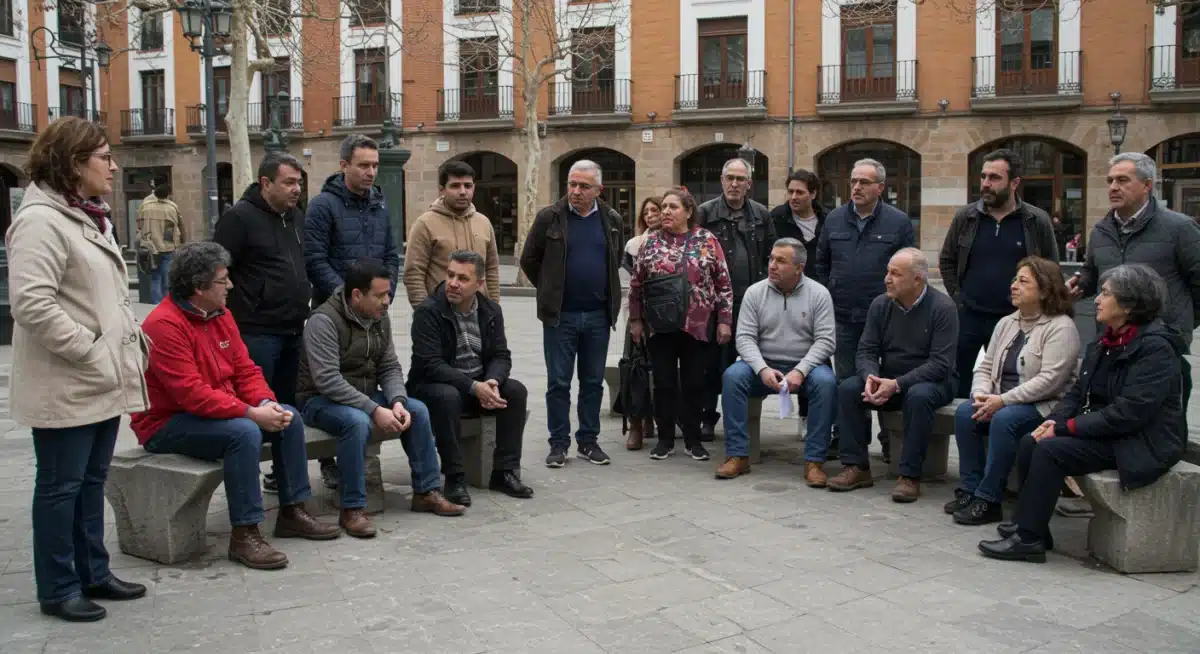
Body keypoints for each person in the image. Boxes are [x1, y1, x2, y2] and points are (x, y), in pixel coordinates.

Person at [8, 117, 149, 622]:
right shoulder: (40, 222)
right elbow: (31, 304)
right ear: (73, 164)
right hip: (68, 380)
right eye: (103, 157)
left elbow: (102, 295)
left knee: (91, 482)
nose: (113, 166)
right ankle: (59, 586)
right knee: (60, 487)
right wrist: (90, 350)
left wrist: (128, 339)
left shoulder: (88, 216)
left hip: (99, 378)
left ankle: (93, 571)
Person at [132, 242, 342, 572]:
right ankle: (245, 534)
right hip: (166, 423)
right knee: (243, 432)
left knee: (289, 417)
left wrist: (265, 403)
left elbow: (245, 370)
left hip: (213, 411)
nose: (230, 285)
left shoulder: (221, 315)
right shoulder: (163, 325)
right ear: (197, 286)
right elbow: (191, 394)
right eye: (222, 280)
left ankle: (293, 512)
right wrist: (249, 413)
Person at [981, 265, 1187, 563]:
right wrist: (1055, 420)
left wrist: (1066, 429)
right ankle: (1032, 524)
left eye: (1105, 294)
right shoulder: (1107, 339)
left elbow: (1129, 412)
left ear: (1128, 305)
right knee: (1031, 441)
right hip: (1112, 431)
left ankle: (1028, 541)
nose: (1097, 300)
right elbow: (1078, 392)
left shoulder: (1156, 349)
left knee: (1051, 450)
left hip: (1142, 440)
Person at [297, 258, 464, 537]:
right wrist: (375, 409)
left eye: (388, 293)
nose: (387, 301)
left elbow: (389, 366)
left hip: (364, 394)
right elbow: (327, 380)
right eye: (380, 295)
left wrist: (397, 400)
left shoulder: (378, 317)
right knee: (356, 422)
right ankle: (352, 509)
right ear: (357, 295)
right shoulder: (323, 321)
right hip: (319, 399)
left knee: (418, 410)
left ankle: (426, 491)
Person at [948, 256, 1080, 526]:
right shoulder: (1007, 322)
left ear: (1044, 290)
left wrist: (1002, 401)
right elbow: (984, 366)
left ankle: (989, 498)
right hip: (1000, 400)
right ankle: (971, 488)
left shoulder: (1061, 327)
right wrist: (980, 395)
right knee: (965, 413)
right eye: (1014, 280)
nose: (1014, 286)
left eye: (1023, 281)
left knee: (1005, 420)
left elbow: (1050, 381)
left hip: (1042, 406)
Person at [1067, 152, 1200, 412]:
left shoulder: (1180, 228)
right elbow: (1093, 272)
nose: (1113, 187)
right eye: (1110, 181)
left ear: (1147, 185)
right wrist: (1079, 283)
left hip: (1160, 347)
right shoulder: (1101, 230)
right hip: (1111, 344)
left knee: (1159, 432)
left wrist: (1177, 326)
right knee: (1111, 422)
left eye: (1123, 180)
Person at [305, 134, 402, 489]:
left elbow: (391, 254)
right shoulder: (321, 206)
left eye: (375, 165)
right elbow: (314, 259)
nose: (371, 172)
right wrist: (347, 299)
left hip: (374, 306)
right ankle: (330, 460)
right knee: (333, 379)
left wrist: (382, 293)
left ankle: (361, 456)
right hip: (334, 311)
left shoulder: (380, 205)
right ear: (344, 165)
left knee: (371, 370)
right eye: (364, 165)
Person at [213, 153, 311, 494]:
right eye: (289, 182)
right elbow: (218, 270)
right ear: (266, 183)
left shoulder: (296, 217)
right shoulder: (238, 219)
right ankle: (247, 489)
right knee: (260, 410)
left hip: (294, 330)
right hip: (256, 333)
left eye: (298, 182)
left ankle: (287, 490)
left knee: (288, 413)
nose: (296, 189)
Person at [831, 248, 958, 502]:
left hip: (933, 381)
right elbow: (866, 350)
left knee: (919, 396)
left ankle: (909, 476)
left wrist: (897, 384)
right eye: (888, 272)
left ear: (917, 279)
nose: (887, 279)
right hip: (888, 377)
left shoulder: (943, 308)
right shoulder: (881, 304)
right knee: (847, 388)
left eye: (895, 274)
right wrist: (870, 377)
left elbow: (940, 364)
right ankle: (856, 467)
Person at [408, 251, 534, 507]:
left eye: (463, 278)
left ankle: (504, 471)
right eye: (450, 275)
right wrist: (474, 387)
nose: (453, 283)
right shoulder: (428, 311)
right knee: (448, 396)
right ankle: (454, 477)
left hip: (476, 383)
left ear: (479, 284)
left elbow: (501, 355)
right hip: (432, 387)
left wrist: (492, 382)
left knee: (515, 391)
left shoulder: (490, 311)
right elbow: (431, 365)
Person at [519, 159, 623, 468]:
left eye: (583, 186)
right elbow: (529, 259)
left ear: (598, 190)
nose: (575, 191)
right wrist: (551, 288)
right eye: (571, 185)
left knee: (592, 382)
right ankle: (558, 443)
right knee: (559, 382)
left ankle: (588, 442)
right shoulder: (549, 218)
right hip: (560, 317)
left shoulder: (611, 218)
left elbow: (614, 260)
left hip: (597, 317)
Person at [814, 158, 914, 463]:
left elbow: (909, 268)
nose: (856, 187)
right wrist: (830, 294)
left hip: (887, 320)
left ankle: (888, 439)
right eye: (853, 182)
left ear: (880, 188)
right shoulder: (833, 220)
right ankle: (848, 439)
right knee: (848, 381)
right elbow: (821, 263)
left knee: (884, 378)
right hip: (844, 316)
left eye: (864, 183)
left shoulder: (898, 222)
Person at [938, 148, 1059, 398]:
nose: (985, 184)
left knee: (1012, 384)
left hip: (1017, 320)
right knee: (958, 384)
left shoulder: (1036, 221)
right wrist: (958, 298)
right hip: (969, 318)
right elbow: (947, 260)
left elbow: (1051, 268)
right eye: (983, 177)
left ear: (1014, 183)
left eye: (994, 178)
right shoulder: (967, 217)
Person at [716, 238, 837, 483]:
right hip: (763, 363)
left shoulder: (819, 294)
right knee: (732, 377)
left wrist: (800, 371)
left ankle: (814, 461)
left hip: (805, 366)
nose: (772, 265)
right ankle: (737, 456)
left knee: (827, 383)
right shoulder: (755, 292)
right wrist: (761, 369)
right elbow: (745, 338)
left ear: (799, 267)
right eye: (771, 258)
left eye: (781, 261)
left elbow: (826, 341)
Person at [629, 187, 734, 462]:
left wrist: (724, 320)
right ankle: (664, 440)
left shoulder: (706, 240)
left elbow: (723, 283)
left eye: (672, 207)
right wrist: (636, 319)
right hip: (660, 325)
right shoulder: (650, 243)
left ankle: (693, 439)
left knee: (694, 383)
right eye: (663, 207)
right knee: (663, 383)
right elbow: (636, 284)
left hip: (697, 325)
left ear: (688, 212)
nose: (665, 212)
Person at [696, 158, 776, 440]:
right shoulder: (704, 213)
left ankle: (741, 419)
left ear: (749, 185)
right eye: (730, 177)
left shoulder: (762, 215)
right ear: (721, 180)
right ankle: (706, 417)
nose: (734, 183)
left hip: (751, 304)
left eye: (740, 179)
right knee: (710, 363)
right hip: (713, 306)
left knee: (743, 363)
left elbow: (770, 257)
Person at [403, 159, 501, 307]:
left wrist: (493, 307)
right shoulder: (425, 224)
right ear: (442, 190)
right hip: (440, 314)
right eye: (455, 186)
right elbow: (414, 273)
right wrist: (425, 313)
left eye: (467, 186)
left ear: (474, 187)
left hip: (479, 314)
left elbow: (492, 268)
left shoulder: (484, 223)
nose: (463, 192)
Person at [621, 196, 663, 450]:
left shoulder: (676, 241)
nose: (650, 215)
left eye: (654, 210)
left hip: (667, 316)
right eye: (646, 211)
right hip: (638, 314)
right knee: (636, 369)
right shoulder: (634, 245)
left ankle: (657, 417)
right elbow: (632, 283)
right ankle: (637, 421)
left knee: (662, 370)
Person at [137, 179, 184, 304]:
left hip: (150, 247)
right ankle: (166, 303)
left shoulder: (145, 206)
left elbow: (139, 224)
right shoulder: (172, 208)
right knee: (167, 277)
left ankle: (155, 303)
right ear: (168, 194)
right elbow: (178, 226)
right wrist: (182, 241)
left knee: (154, 277)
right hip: (167, 246)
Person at [770, 168, 825, 268]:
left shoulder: (827, 219)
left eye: (800, 192)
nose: (794, 197)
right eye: (791, 192)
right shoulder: (777, 218)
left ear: (813, 194)